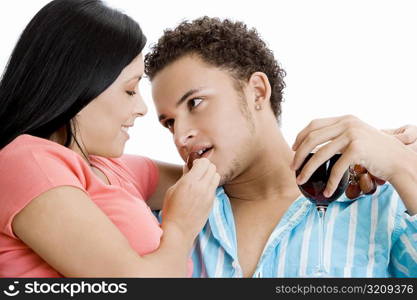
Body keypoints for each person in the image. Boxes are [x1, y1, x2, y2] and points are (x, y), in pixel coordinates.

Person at [144, 17, 417, 277]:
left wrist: (406, 167)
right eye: (169, 122)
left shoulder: (379, 204)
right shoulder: (166, 223)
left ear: (257, 91)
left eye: (195, 103)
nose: (180, 136)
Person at [0, 0, 220, 278]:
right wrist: (180, 228)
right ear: (78, 84)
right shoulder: (27, 164)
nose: (141, 108)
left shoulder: (111, 167)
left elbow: (210, 178)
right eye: (130, 90)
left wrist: (291, 156)